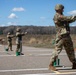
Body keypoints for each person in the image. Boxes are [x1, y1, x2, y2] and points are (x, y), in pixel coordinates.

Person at [49, 4, 76, 71]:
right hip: (61, 36)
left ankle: (74, 63)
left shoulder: (62, 16)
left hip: (67, 35)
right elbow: (67, 18)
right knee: (57, 50)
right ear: (59, 9)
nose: (63, 9)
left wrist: (74, 18)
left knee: (70, 50)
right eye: (62, 8)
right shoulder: (57, 16)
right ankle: (51, 65)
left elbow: (69, 20)